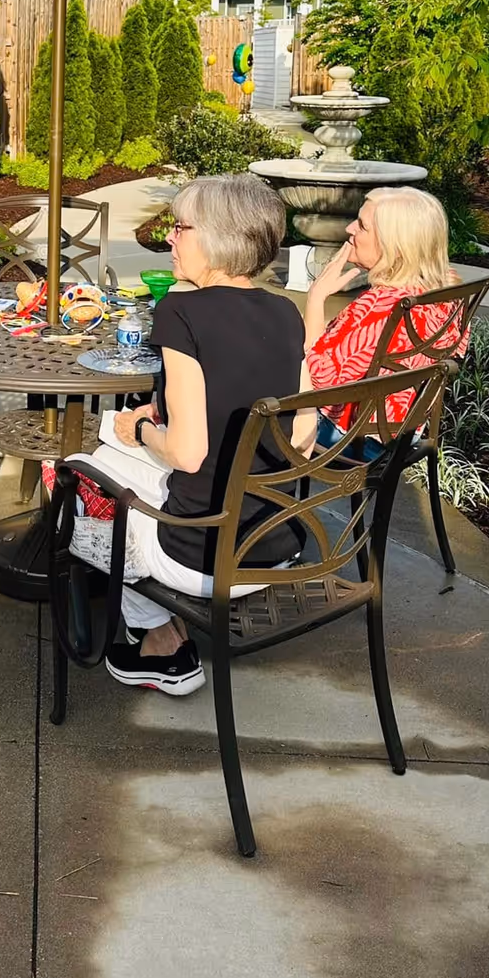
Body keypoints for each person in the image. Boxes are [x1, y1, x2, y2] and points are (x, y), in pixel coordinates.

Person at [68, 175, 315, 698]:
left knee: (72, 473)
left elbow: (187, 451)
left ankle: (160, 642)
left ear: (220, 238)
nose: (170, 239)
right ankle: (159, 626)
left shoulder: (182, 311)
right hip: (274, 546)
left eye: (181, 228)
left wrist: (142, 427)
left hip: (201, 555)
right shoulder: (287, 311)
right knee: (111, 453)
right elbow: (306, 433)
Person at [304, 185, 461, 451]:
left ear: (395, 247)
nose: (350, 229)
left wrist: (316, 299)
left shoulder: (379, 306)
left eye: (362, 226)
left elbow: (316, 379)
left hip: (351, 437)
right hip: (404, 432)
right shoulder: (449, 292)